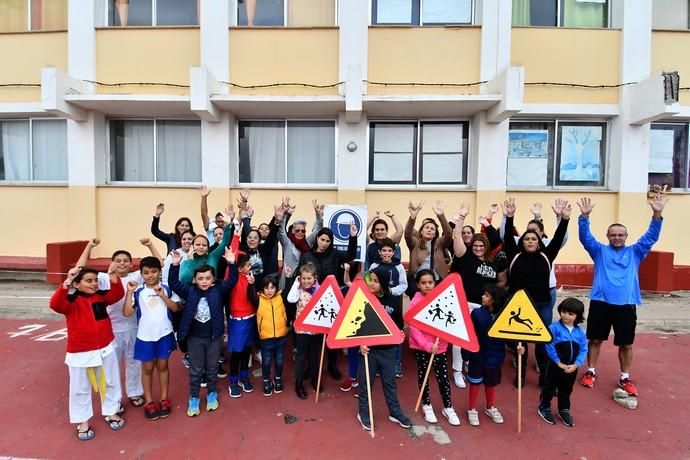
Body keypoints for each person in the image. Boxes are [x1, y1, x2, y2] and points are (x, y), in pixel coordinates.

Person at [576, 194, 667, 396]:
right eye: (613, 234)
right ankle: (590, 372)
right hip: (601, 302)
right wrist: (584, 218)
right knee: (596, 340)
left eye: (620, 235)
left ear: (626, 236)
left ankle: (625, 376)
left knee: (626, 343)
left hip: (626, 305)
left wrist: (657, 213)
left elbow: (651, 236)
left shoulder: (636, 252)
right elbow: (585, 238)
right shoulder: (599, 251)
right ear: (608, 236)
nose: (617, 237)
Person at [74, 238, 162, 408]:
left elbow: (159, 264)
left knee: (134, 363)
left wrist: (150, 245)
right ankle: (113, 400)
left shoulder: (136, 276)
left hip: (134, 327)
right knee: (109, 368)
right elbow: (79, 270)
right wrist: (89, 247)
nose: (122, 264)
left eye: (126, 261)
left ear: (131, 264)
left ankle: (135, 392)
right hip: (111, 330)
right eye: (118, 261)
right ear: (112, 263)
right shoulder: (101, 279)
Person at [49, 263, 126, 441]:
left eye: (95, 281)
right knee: (80, 388)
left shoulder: (100, 297)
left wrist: (113, 275)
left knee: (110, 381)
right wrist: (67, 281)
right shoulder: (70, 301)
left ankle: (111, 411)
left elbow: (116, 295)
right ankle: (82, 420)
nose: (93, 284)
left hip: (105, 347)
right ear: (77, 284)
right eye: (88, 281)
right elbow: (55, 305)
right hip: (80, 351)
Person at [502, 198, 571, 388]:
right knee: (521, 342)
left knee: (542, 342)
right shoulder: (513, 254)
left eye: (534, 238)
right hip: (520, 305)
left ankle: (544, 375)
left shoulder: (546, 255)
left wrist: (564, 220)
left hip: (542, 304)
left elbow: (558, 238)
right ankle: (521, 374)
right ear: (521, 241)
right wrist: (509, 217)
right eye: (527, 238)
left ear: (539, 241)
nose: (530, 241)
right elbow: (507, 236)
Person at [168, 248, 239, 416]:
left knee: (212, 367)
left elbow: (232, 281)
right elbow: (173, 283)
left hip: (214, 337)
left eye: (208, 278)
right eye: (200, 278)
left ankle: (212, 394)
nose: (204, 281)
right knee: (196, 369)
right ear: (195, 279)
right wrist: (175, 265)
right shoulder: (189, 290)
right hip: (194, 338)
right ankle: (194, 397)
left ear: (213, 279)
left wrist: (231, 263)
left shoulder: (219, 290)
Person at [450, 204, 508, 389]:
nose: (477, 248)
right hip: (465, 303)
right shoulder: (466, 257)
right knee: (460, 338)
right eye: (475, 245)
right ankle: (457, 370)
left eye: (481, 245)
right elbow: (457, 236)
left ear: (486, 247)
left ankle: (469, 363)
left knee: (477, 338)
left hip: (483, 307)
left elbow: (502, 281)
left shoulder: (493, 263)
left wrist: (492, 294)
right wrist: (461, 218)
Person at [299, 221, 358, 381]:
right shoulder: (307, 256)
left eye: (327, 241)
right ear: (317, 238)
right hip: (312, 300)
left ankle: (332, 365)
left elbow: (351, 255)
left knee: (331, 334)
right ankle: (312, 368)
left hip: (332, 299)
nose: (324, 243)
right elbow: (301, 278)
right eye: (322, 239)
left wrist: (353, 237)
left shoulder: (335, 254)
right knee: (314, 337)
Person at [123, 257, 180, 421]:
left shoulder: (167, 289)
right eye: (146, 273)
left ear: (159, 272)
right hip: (145, 336)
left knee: (163, 366)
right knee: (147, 369)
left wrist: (162, 296)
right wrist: (129, 293)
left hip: (164, 334)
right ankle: (149, 401)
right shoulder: (138, 291)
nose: (150, 276)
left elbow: (175, 308)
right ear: (141, 274)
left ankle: (164, 399)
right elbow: (127, 313)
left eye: (154, 272)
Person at [356, 268, 411, 432]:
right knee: (366, 384)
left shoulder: (393, 300)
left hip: (388, 350)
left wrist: (400, 332)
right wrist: (360, 343)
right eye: (370, 279)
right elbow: (354, 324)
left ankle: (395, 412)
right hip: (369, 351)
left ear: (384, 283)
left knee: (390, 383)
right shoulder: (363, 298)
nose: (371, 283)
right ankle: (363, 413)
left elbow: (398, 324)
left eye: (376, 280)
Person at [408, 269, 460, 426]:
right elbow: (413, 328)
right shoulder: (414, 303)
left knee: (443, 378)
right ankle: (427, 405)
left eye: (430, 282)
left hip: (440, 347)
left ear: (435, 283)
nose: (427, 286)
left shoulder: (442, 300)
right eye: (423, 283)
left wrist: (442, 343)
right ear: (418, 285)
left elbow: (448, 322)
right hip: (422, 348)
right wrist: (426, 345)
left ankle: (448, 406)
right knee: (423, 376)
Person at [462, 285, 511, 427]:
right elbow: (469, 334)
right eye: (484, 294)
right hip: (478, 356)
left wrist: (517, 348)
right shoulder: (477, 313)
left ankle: (490, 407)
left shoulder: (504, 316)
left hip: (495, 357)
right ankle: (472, 409)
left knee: (490, 384)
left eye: (487, 295)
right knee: (475, 383)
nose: (483, 297)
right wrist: (466, 354)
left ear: (494, 300)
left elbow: (509, 335)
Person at [538, 298, 588, 427]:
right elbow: (549, 345)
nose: (566, 316)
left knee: (566, 389)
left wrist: (576, 364)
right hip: (555, 366)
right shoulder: (554, 328)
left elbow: (584, 349)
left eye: (571, 314)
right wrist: (557, 362)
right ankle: (544, 407)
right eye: (564, 312)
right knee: (549, 387)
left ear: (578, 316)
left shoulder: (580, 332)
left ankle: (563, 409)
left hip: (571, 368)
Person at [368, 238, 408, 378]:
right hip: (377, 303)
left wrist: (391, 291)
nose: (386, 253)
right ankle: (379, 362)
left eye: (389, 251)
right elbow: (369, 281)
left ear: (393, 252)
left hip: (393, 303)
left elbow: (404, 285)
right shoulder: (374, 265)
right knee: (379, 332)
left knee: (395, 331)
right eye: (384, 250)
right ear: (379, 252)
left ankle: (396, 363)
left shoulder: (399, 267)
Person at [287, 262, 322, 399]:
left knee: (314, 355)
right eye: (303, 278)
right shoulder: (298, 290)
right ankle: (299, 383)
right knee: (301, 356)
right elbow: (290, 299)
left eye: (309, 278)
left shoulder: (319, 290)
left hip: (315, 329)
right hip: (302, 330)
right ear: (300, 278)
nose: (306, 281)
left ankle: (314, 378)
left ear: (315, 278)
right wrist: (296, 284)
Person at [404, 200, 453, 297]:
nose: (429, 230)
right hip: (417, 283)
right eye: (427, 227)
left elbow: (448, 234)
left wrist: (441, 215)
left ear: (435, 233)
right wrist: (413, 217)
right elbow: (407, 234)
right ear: (421, 231)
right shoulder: (415, 243)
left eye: (432, 229)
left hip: (437, 282)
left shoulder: (439, 243)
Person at [226, 253, 258, 398]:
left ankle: (244, 377)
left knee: (246, 351)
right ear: (239, 269)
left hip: (250, 318)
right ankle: (233, 381)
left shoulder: (249, 278)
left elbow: (253, 298)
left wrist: (252, 284)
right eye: (248, 265)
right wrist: (236, 236)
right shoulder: (232, 279)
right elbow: (232, 259)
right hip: (238, 321)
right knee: (237, 353)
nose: (250, 267)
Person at [251, 274, 288, 396]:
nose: (269, 290)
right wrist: (251, 284)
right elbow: (250, 295)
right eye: (267, 288)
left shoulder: (280, 297)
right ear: (262, 289)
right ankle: (266, 381)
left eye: (272, 287)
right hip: (266, 339)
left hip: (281, 337)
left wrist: (287, 278)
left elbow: (289, 292)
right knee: (266, 361)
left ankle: (277, 379)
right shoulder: (259, 299)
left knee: (279, 361)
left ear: (276, 288)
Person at [179, 208, 234, 283]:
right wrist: (190, 261)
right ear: (192, 246)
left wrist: (228, 225)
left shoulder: (213, 256)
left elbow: (225, 242)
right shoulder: (185, 263)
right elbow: (185, 279)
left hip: (212, 292)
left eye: (204, 245)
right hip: (194, 293)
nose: (201, 247)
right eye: (198, 244)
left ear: (208, 248)